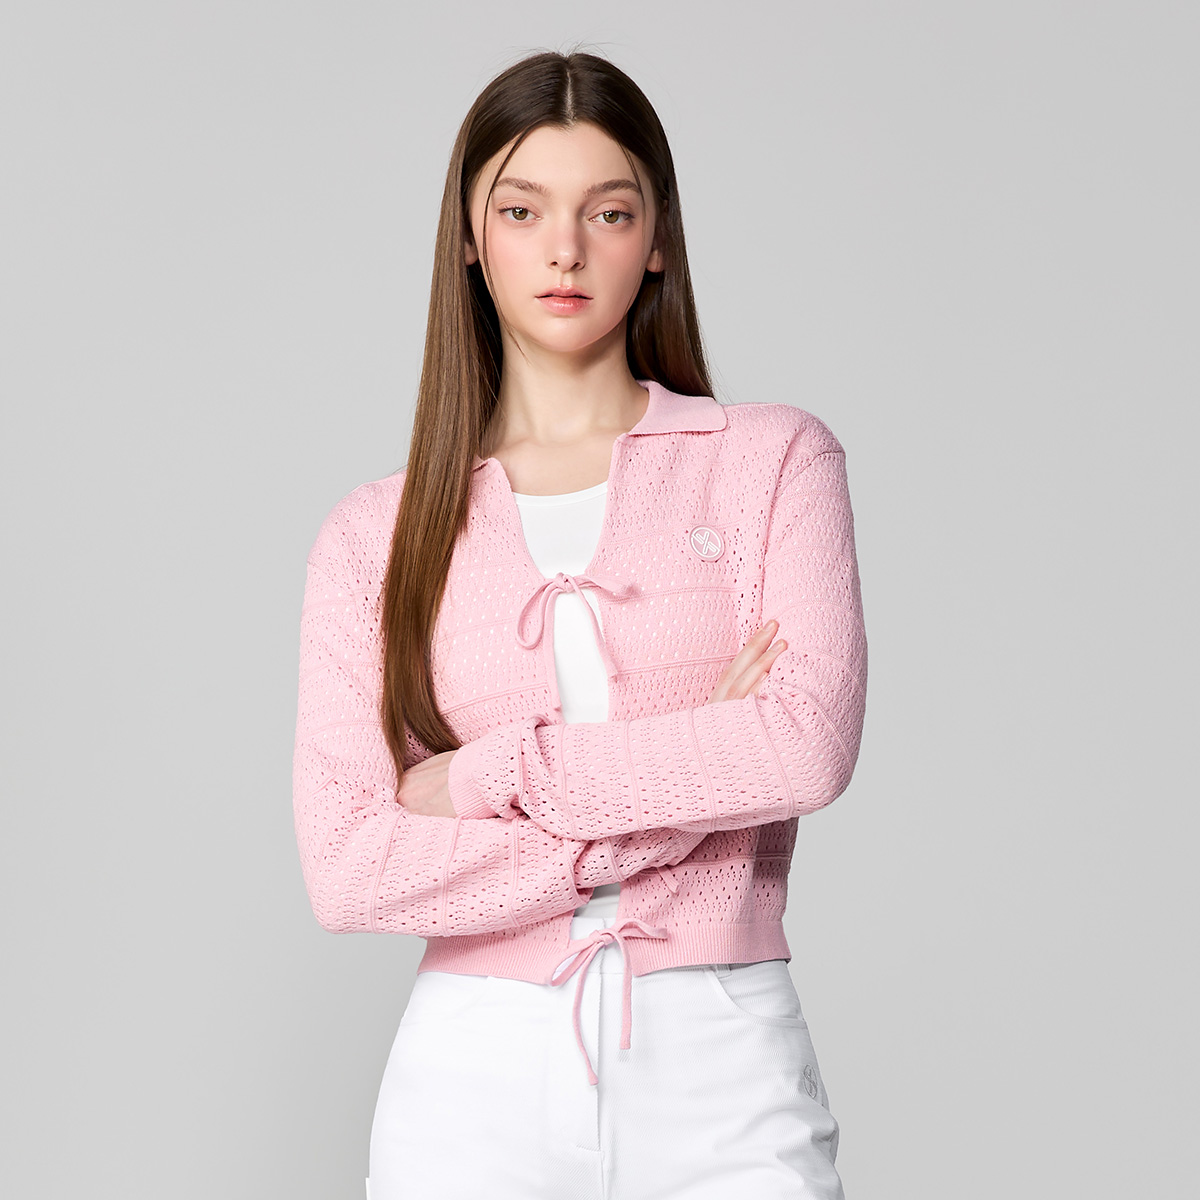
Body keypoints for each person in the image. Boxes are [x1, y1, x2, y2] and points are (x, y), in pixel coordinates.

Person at [292, 48, 868, 1200]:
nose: (565, 249)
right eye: (522, 210)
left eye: (607, 211)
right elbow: (351, 870)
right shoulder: (376, 535)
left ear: (655, 237)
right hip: (471, 1076)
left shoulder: (770, 463)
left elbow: (803, 746)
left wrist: (485, 776)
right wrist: (685, 786)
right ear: (470, 238)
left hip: (722, 1054)